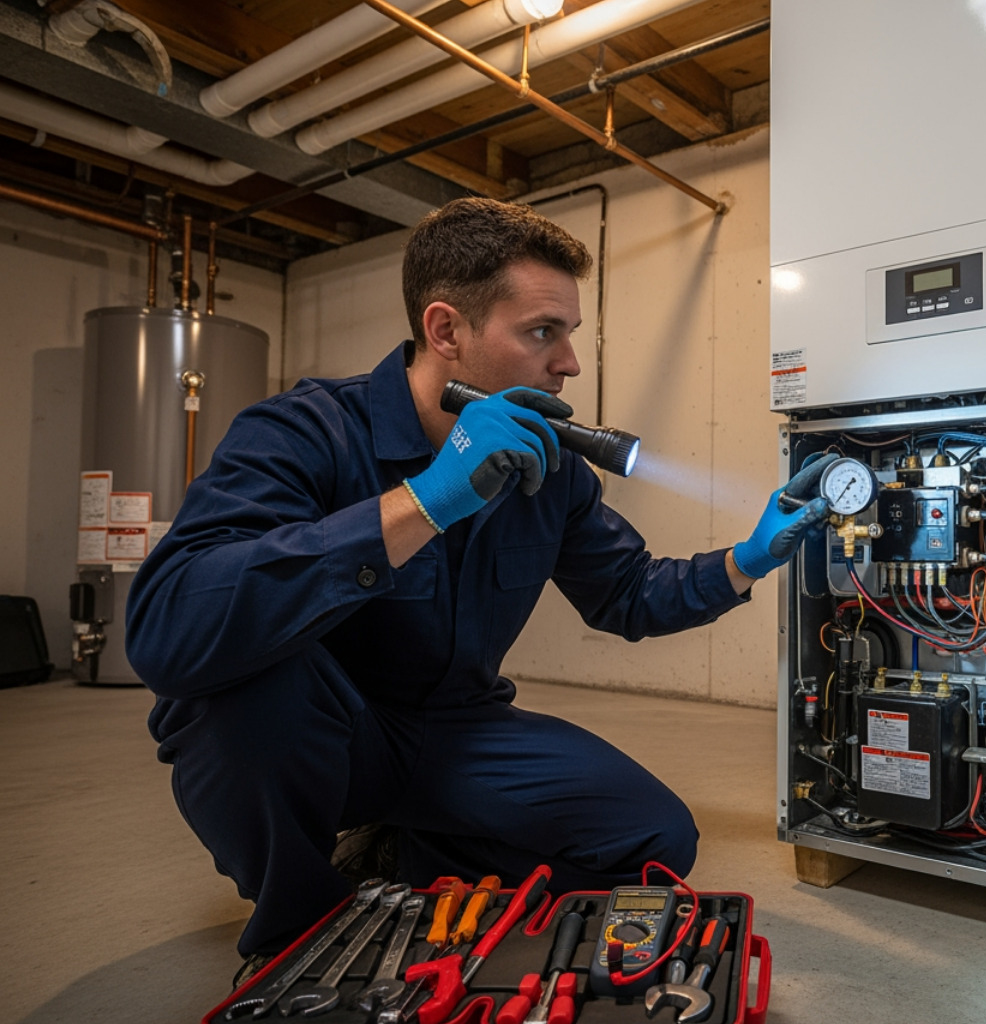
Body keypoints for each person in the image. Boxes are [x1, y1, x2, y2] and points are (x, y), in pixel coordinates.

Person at [125, 198, 831, 975]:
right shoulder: (303, 432)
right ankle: (302, 927)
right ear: (446, 331)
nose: (570, 364)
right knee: (235, 688)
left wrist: (750, 557)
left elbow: (625, 593)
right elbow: (169, 630)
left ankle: (402, 861)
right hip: (323, 729)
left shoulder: (550, 469)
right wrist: (425, 502)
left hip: (452, 729)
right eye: (542, 332)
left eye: (569, 334)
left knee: (654, 837)